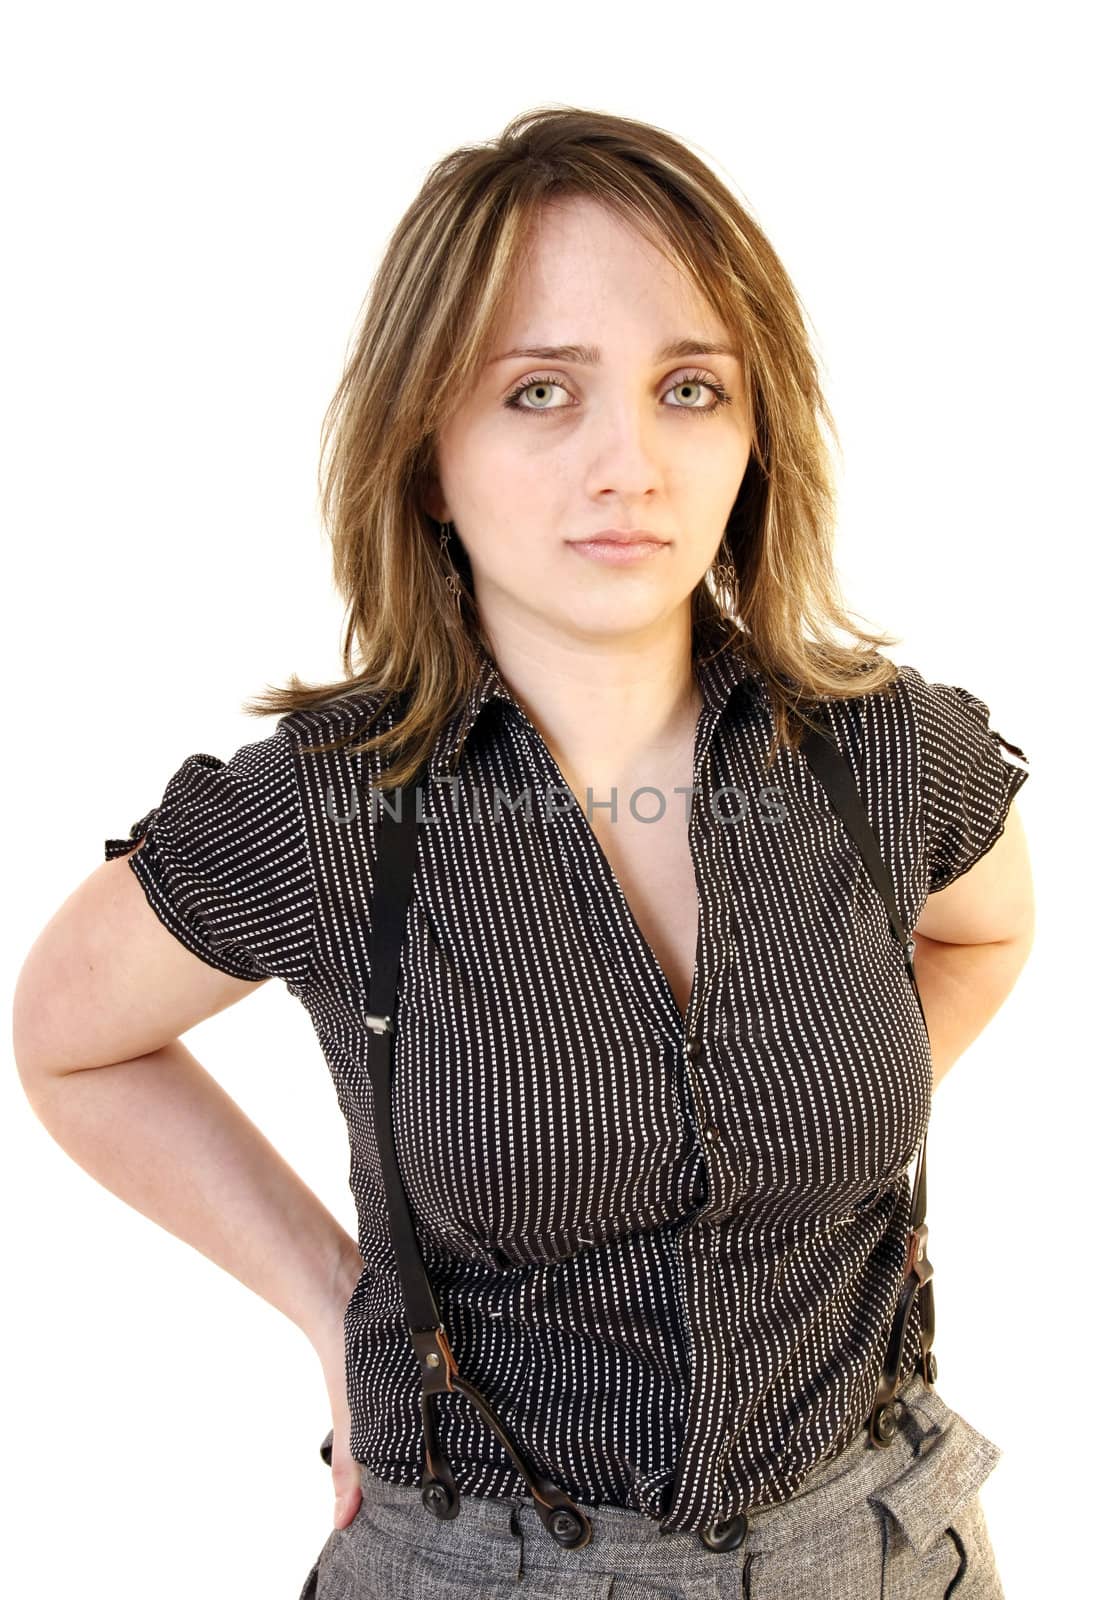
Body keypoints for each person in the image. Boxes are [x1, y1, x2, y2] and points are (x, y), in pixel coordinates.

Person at [13, 106, 1033, 1600]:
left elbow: (985, 933)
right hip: (481, 1565)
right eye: (541, 393)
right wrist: (328, 1298)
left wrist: (776, 1121)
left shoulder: (887, 753)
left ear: (753, 440)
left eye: (690, 390)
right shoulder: (323, 811)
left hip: (883, 1548)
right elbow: (68, 1042)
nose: (628, 462)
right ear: (427, 454)